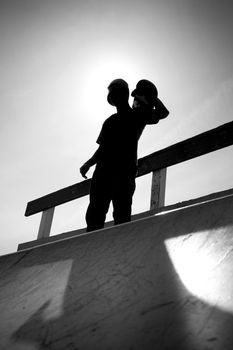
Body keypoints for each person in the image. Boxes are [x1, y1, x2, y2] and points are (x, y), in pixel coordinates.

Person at [80, 78, 169, 232]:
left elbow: (163, 113)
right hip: (102, 172)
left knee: (122, 216)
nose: (113, 95)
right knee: (95, 216)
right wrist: (88, 163)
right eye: (111, 94)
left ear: (125, 94)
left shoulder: (138, 115)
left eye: (115, 92)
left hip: (124, 172)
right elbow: (102, 149)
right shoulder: (109, 122)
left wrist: (150, 97)